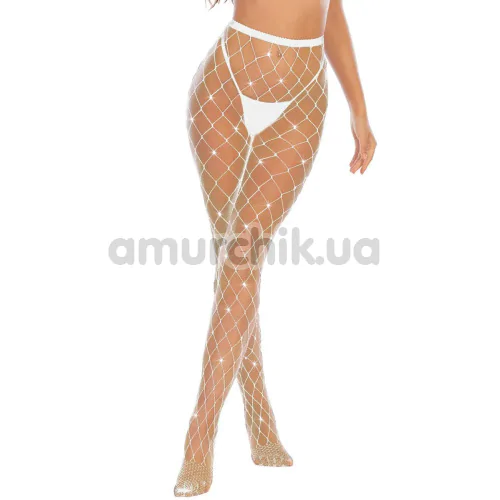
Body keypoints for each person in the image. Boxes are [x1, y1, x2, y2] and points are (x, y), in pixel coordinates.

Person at [174, 0, 377, 495]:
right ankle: (230, 431)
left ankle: (213, 429)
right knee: (236, 265)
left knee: (240, 257)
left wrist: (359, 108)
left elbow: (332, 9)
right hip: (224, 87)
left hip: (302, 98)